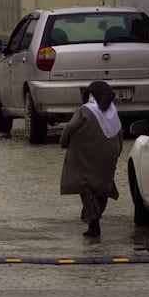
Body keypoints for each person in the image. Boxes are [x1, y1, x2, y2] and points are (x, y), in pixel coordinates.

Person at [59, 80, 122, 237]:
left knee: (85, 186)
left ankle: (93, 221)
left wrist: (64, 142)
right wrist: (117, 152)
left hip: (86, 157)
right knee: (102, 187)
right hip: (109, 157)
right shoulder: (113, 112)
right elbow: (120, 135)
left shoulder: (85, 110)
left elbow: (71, 127)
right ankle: (94, 218)